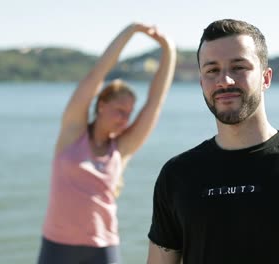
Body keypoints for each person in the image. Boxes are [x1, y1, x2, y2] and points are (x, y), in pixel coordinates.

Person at [147, 19, 279, 264]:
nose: (224, 80)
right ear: (201, 83)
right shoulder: (176, 175)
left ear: (266, 78)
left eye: (239, 67)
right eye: (212, 70)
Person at [37, 22, 176, 264]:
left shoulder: (121, 149)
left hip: (102, 248)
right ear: (101, 105)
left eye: (129, 112)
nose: (125, 118)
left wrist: (168, 48)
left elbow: (155, 102)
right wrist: (131, 31)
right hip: (57, 247)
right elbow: (97, 74)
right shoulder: (72, 134)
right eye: (119, 110)